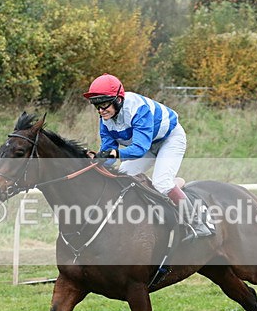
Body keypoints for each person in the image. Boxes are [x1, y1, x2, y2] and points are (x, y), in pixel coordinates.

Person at [83, 73, 212, 239]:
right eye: (97, 106)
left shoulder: (137, 108)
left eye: (104, 105)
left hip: (169, 139)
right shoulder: (105, 119)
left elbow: (138, 149)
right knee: (124, 179)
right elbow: (108, 153)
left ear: (118, 99)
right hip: (148, 145)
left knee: (162, 182)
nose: (101, 111)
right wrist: (96, 162)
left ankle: (197, 222)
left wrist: (115, 153)